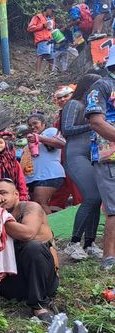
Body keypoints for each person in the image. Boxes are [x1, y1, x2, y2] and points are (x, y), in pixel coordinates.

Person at [0, 179, 58, 321]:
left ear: (16, 195)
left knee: (32, 246)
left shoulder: (30, 207)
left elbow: (27, 234)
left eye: (3, 193)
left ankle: (39, 306)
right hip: (9, 281)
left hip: (41, 281)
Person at [61, 74, 104, 261]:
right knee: (92, 196)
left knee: (97, 198)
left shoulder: (92, 108)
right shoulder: (74, 104)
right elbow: (67, 130)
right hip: (75, 155)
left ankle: (89, 243)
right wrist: (93, 125)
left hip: (92, 155)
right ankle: (74, 243)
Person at [85, 49, 115, 270]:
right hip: (110, 154)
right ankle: (109, 257)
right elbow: (96, 122)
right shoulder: (102, 86)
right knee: (114, 208)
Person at [24, 113, 67, 214]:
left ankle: (52, 229)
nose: (32, 127)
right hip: (34, 177)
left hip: (49, 175)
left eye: (35, 123)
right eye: (30, 125)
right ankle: (41, 228)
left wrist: (40, 138)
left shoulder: (50, 131)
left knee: (41, 203)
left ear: (43, 123)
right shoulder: (32, 139)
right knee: (35, 206)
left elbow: (62, 143)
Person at [0, 136, 29, 201]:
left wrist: (23, 194)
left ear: (5, 145)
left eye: (1, 142)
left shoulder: (13, 161)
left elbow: (20, 178)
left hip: (10, 192)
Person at [27, 5, 56, 74]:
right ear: (48, 9)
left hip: (50, 40)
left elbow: (52, 29)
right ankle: (37, 74)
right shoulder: (38, 17)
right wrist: (42, 26)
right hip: (42, 39)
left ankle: (50, 74)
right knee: (41, 56)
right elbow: (30, 28)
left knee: (52, 58)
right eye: (52, 11)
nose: (53, 13)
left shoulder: (51, 19)